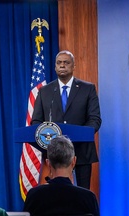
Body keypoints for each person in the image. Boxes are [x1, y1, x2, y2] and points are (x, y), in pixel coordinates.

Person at [30, 50, 102, 190]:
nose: (62, 65)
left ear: (74, 66)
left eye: (66, 62)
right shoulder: (45, 91)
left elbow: (95, 119)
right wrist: (48, 139)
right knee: (55, 193)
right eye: (59, 63)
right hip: (53, 153)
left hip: (81, 152)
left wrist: (79, 136)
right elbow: (36, 121)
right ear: (55, 66)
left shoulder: (88, 89)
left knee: (82, 193)